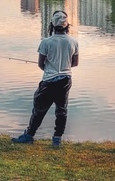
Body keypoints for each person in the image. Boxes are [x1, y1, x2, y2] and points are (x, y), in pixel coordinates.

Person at [11, 10, 79, 147]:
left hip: (49, 81)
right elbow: (75, 63)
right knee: (61, 110)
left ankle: (29, 135)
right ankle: (57, 139)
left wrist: (50, 68)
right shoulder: (73, 42)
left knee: (39, 109)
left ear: (52, 25)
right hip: (66, 79)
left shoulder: (46, 42)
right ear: (67, 26)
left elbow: (41, 64)